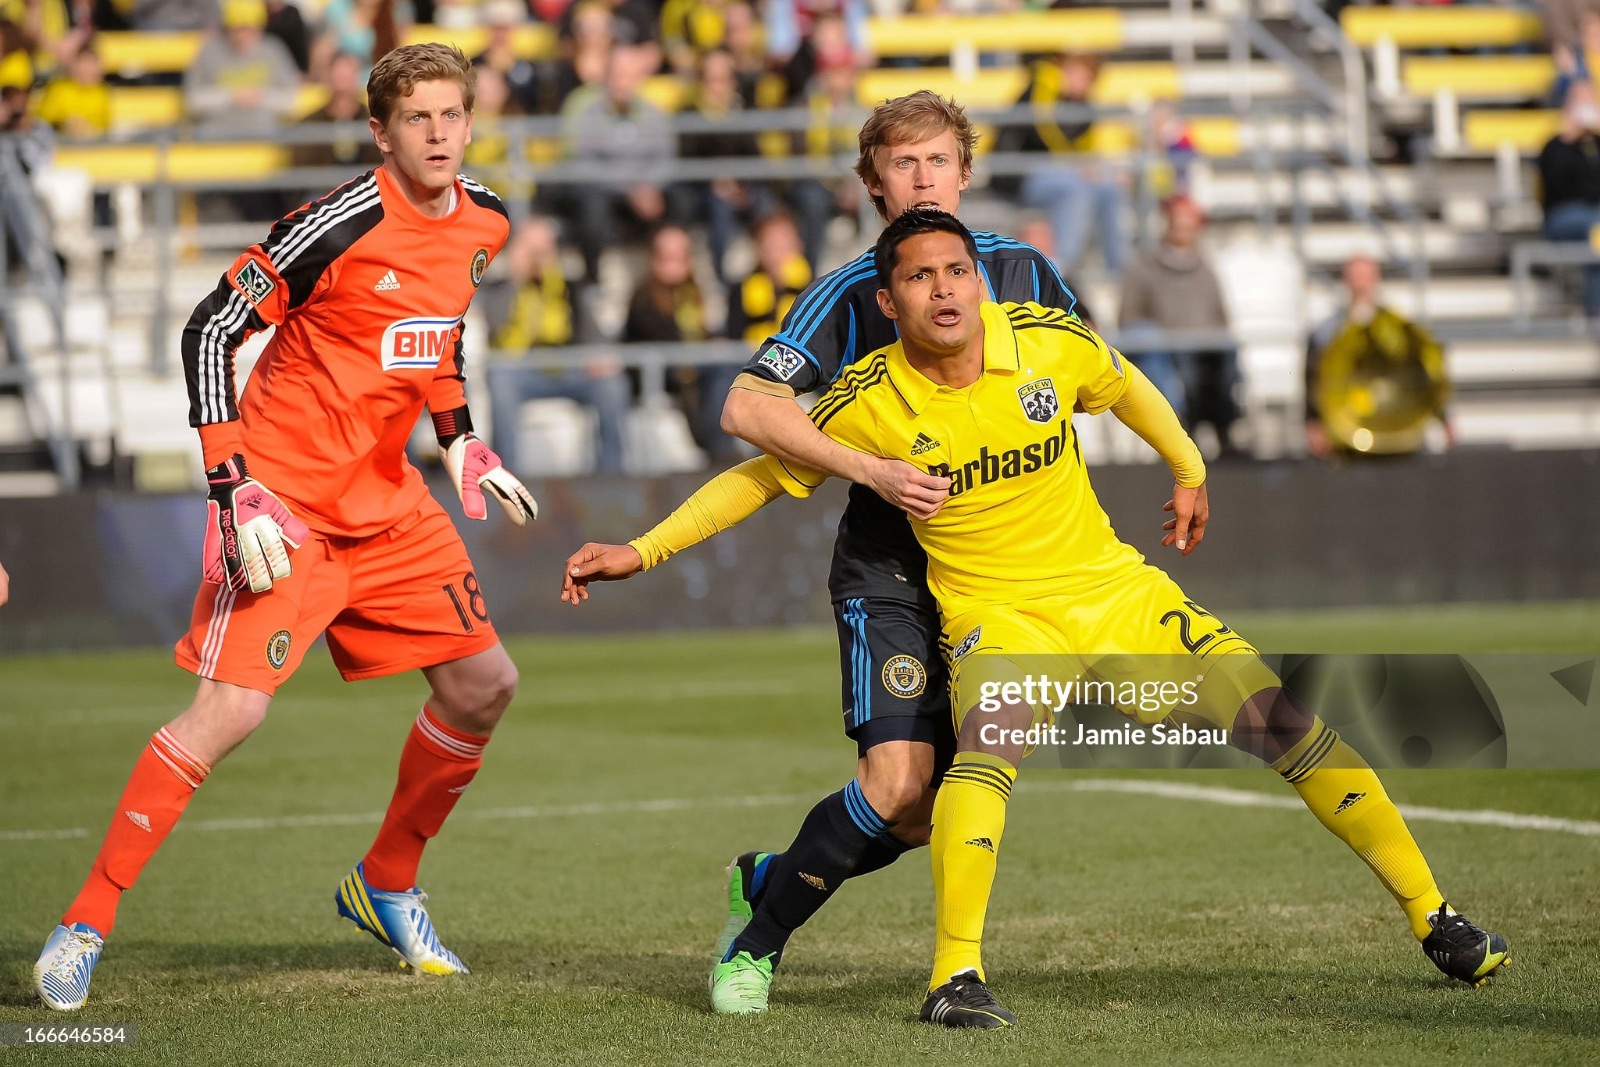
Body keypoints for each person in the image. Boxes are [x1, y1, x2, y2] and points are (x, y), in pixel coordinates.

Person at [567, 210, 1511, 1027]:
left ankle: (1437, 917)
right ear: (886, 303)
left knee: (1284, 723)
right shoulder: (868, 400)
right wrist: (641, 550)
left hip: (1118, 591)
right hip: (1000, 616)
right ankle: (954, 974)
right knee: (982, 755)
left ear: (976, 280)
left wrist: (1189, 467)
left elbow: (1126, 382)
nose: (945, 290)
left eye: (955, 271)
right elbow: (758, 477)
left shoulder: (1043, 339)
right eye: (919, 278)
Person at [32, 43, 539, 1013]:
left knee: (485, 683)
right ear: (380, 132)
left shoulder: (487, 221)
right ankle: (86, 918)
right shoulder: (338, 222)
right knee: (230, 712)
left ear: (472, 123)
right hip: (285, 504)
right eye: (417, 118)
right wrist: (231, 488)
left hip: (390, 505)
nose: (437, 133)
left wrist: (463, 437)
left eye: (452, 115)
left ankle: (385, 880)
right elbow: (210, 328)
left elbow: (439, 334)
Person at [570, 90, 1080, 1016]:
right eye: (903, 164)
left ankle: (769, 874)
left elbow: (1089, 383)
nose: (923, 178)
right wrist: (869, 469)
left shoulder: (1028, 275)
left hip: (1004, 586)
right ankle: (755, 948)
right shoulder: (852, 296)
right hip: (891, 576)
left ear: (966, 172)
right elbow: (747, 415)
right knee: (893, 782)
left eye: (938, 161)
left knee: (931, 810)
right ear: (874, 184)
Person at [482, 214, 629, 473]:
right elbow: (496, 327)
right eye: (532, 250)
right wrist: (517, 278)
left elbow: (595, 334)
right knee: (501, 381)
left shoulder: (570, 287)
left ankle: (612, 471)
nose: (539, 258)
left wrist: (598, 357)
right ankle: (504, 475)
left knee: (611, 385)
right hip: (521, 370)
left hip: (569, 368)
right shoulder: (500, 288)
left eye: (544, 249)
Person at [993, 51, 1127, 278]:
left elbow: (1087, 149)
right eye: (1077, 74)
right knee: (1074, 188)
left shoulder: (1084, 107)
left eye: (1086, 79)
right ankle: (1062, 267)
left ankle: (1118, 269)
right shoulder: (1043, 83)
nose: (1080, 83)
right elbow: (1041, 129)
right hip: (1019, 172)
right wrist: (1075, 166)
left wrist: (1097, 171)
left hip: (1060, 172)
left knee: (1109, 189)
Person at [1117, 194, 1236, 442]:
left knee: (1226, 354)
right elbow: (1128, 317)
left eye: (1190, 225)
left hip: (1204, 348)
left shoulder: (1206, 271)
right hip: (1164, 349)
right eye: (1179, 223)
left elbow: (1221, 318)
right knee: (1162, 351)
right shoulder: (1143, 268)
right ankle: (1179, 425)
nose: (1184, 230)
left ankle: (1225, 425)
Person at [1305, 255, 1451, 458]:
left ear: (1376, 280)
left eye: (1366, 277)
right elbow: (1313, 380)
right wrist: (1313, 423)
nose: (1361, 284)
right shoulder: (1325, 333)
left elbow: (1426, 371)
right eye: (1356, 277)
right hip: (1345, 436)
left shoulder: (1401, 328)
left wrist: (1444, 418)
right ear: (1346, 281)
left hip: (1396, 428)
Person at [559, 39, 674, 282]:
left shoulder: (653, 114)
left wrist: (649, 186)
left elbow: (665, 157)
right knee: (591, 210)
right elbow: (583, 163)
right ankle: (593, 280)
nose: (624, 83)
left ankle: (672, 274)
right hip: (606, 191)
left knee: (682, 202)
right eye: (619, 75)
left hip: (646, 192)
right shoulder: (589, 114)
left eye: (630, 76)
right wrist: (630, 188)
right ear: (607, 77)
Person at [623, 223, 737, 461]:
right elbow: (664, 340)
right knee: (720, 373)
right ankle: (720, 452)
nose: (675, 263)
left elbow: (698, 334)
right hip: (663, 374)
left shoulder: (691, 293)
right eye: (668, 256)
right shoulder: (643, 298)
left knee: (727, 369)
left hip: (691, 369)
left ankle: (724, 449)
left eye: (681, 256)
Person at [183, 0, 300, 133]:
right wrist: (231, 97)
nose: (242, 36)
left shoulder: (273, 50)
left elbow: (291, 99)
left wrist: (260, 97)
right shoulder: (209, 51)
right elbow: (192, 100)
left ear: (260, 28)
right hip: (216, 135)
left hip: (264, 133)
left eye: (249, 29)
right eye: (237, 29)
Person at [1538, 80, 1600, 317]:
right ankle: (1596, 309)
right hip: (1563, 216)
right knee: (1595, 230)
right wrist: (1570, 135)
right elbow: (1558, 186)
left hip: (1594, 216)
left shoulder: (1595, 144)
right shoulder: (1555, 147)